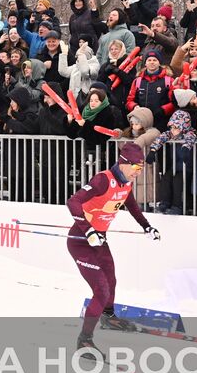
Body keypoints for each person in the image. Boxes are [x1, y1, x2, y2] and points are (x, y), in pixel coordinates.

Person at [66, 143, 159, 355]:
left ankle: (108, 317)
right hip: (81, 241)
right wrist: (89, 231)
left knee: (111, 279)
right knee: (101, 289)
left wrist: (147, 227)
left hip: (99, 238)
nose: (138, 173)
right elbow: (73, 202)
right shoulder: (103, 180)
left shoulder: (126, 183)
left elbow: (133, 207)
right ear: (124, 164)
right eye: (135, 168)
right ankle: (84, 340)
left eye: (140, 169)